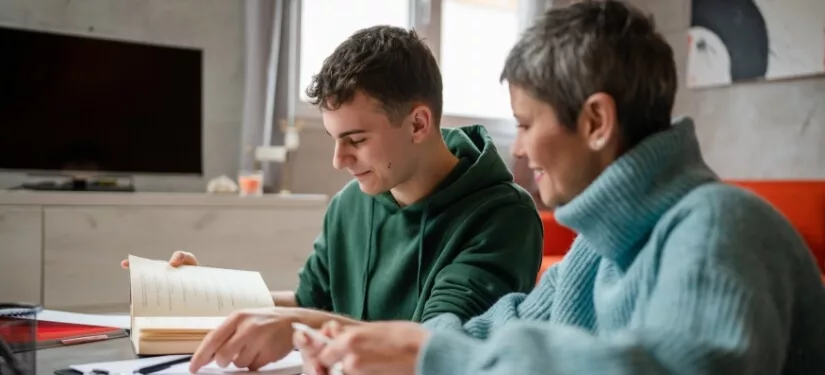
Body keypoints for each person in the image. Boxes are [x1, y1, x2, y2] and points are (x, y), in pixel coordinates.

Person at [294, 1, 825, 374]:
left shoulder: (718, 225)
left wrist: (429, 358)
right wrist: (384, 344)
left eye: (526, 124)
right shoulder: (598, 249)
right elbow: (504, 326)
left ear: (595, 121)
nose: (518, 150)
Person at [121, 25, 543, 372]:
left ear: (417, 123)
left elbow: (433, 348)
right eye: (334, 139)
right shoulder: (350, 203)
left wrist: (300, 325)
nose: (340, 160)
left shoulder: (503, 217)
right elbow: (309, 303)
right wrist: (210, 293)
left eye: (356, 140)